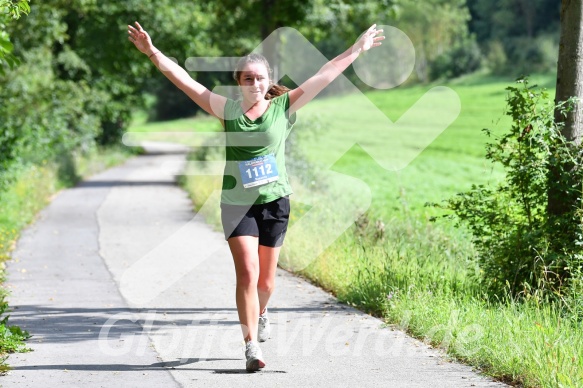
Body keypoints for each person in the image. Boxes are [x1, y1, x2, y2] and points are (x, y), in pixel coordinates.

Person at [127, 21, 384, 372]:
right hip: (237, 204)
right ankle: (250, 346)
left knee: (266, 281)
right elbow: (185, 81)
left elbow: (326, 73)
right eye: (247, 79)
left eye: (260, 78)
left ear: (268, 82)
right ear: (239, 83)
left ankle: (262, 312)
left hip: (276, 201)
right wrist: (152, 51)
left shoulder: (283, 107)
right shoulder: (227, 111)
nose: (254, 84)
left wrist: (357, 49)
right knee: (247, 274)